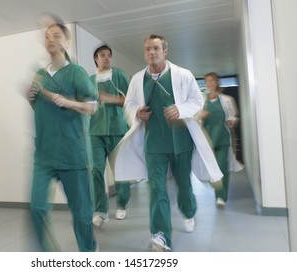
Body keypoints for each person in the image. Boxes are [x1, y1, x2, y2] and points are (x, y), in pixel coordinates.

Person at [109, 34, 223, 252]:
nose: (151, 53)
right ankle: (160, 235)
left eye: (155, 49)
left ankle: (188, 212)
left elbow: (197, 101)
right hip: (153, 144)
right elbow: (129, 105)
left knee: (184, 185)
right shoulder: (137, 79)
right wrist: (136, 112)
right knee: (157, 189)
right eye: (147, 49)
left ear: (165, 51)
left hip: (181, 141)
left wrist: (180, 109)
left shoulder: (183, 74)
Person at [26, 23, 98, 252]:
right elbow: (40, 110)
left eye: (56, 35)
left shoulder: (76, 72)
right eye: (47, 36)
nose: (50, 39)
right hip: (45, 155)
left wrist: (67, 102)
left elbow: (92, 107)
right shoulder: (39, 75)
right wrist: (30, 98)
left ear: (66, 42)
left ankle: (88, 252)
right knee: (37, 208)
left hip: (72, 154)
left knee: (82, 213)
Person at [89, 45, 131, 228]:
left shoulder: (119, 76)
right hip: (95, 131)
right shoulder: (89, 80)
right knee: (96, 170)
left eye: (109, 56)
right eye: (102, 55)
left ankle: (122, 204)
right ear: (96, 59)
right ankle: (100, 211)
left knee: (120, 171)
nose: (107, 58)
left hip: (116, 129)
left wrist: (107, 97)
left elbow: (130, 101)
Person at [198, 72, 243, 207]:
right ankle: (216, 186)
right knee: (210, 168)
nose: (209, 84)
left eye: (211, 81)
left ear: (216, 82)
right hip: (207, 138)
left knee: (222, 166)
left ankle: (221, 197)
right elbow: (194, 117)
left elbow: (234, 116)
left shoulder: (227, 99)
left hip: (222, 137)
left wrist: (232, 121)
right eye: (206, 82)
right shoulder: (201, 100)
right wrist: (200, 115)